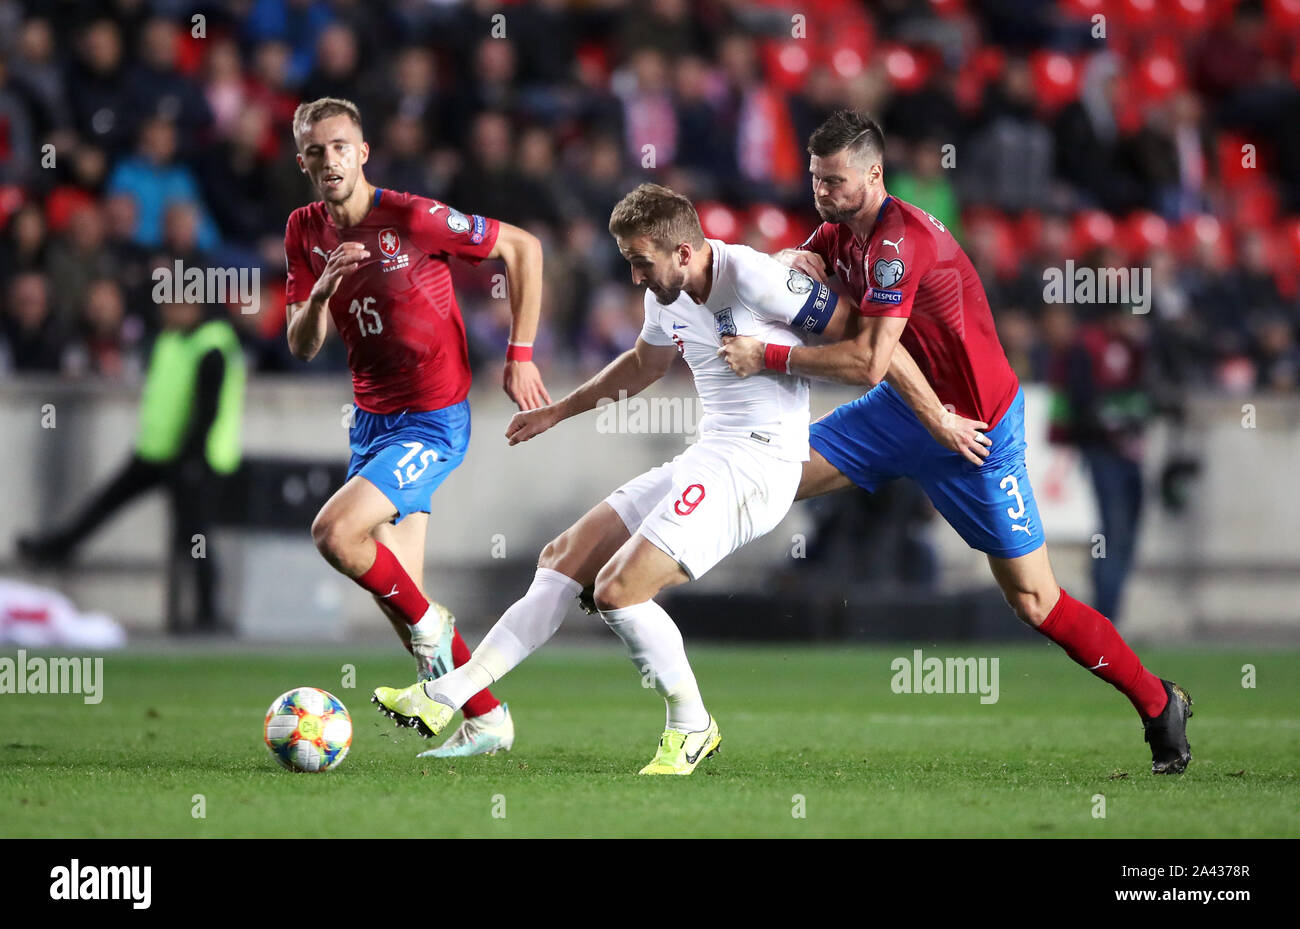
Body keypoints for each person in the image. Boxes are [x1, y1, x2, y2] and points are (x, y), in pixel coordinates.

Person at [371, 183, 956, 774]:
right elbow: (644, 365)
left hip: (760, 465)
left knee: (617, 591)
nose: (633, 277)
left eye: (640, 262)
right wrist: (558, 410)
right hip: (711, 455)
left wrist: (788, 359)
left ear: (683, 252)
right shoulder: (665, 292)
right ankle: (451, 694)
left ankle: (692, 725)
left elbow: (864, 347)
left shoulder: (754, 277)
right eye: (628, 261)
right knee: (563, 557)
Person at [718, 110, 1193, 774]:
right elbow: (803, 277)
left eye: (835, 180)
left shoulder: (900, 242)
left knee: (1034, 601)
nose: (822, 193)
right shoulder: (839, 233)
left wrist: (765, 355)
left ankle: (1157, 701)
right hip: (904, 413)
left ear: (875, 174)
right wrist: (789, 261)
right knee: (770, 471)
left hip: (976, 431)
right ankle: (639, 582)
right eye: (816, 180)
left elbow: (868, 360)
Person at [283, 97, 550, 757]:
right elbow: (301, 345)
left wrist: (519, 355)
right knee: (401, 598)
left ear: (363, 151)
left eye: (340, 145)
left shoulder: (411, 216)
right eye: (316, 151)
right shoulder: (303, 231)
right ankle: (487, 719)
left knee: (335, 533)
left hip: (432, 419)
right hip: (373, 421)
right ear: (303, 163)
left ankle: (437, 632)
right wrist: (319, 294)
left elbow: (523, 247)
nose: (329, 160)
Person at [17, 300, 245, 633]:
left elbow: (207, 410)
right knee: (108, 500)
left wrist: (191, 459)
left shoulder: (213, 345)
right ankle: (58, 547)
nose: (167, 311)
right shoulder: (171, 339)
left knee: (194, 535)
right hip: (156, 451)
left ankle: (208, 614)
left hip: (196, 458)